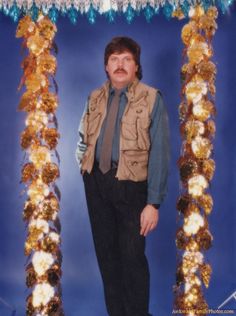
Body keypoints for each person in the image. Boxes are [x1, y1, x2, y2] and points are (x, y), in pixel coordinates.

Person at [76, 36, 170, 316]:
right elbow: (82, 139)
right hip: (97, 185)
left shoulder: (152, 98)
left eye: (126, 59)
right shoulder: (94, 97)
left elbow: (161, 153)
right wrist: (85, 170)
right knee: (107, 259)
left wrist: (153, 203)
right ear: (106, 66)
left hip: (132, 188)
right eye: (114, 59)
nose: (120, 64)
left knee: (132, 259)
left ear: (136, 66)